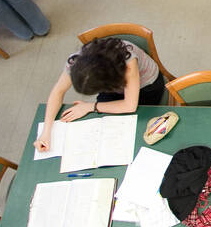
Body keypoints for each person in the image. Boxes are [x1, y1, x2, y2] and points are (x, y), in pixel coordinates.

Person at [35, 37, 165, 151]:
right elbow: (58, 91)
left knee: (135, 130)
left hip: (147, 86)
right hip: (114, 85)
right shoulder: (76, 62)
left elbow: (130, 106)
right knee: (104, 125)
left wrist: (90, 106)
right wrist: (46, 132)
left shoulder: (128, 63)